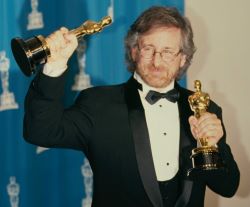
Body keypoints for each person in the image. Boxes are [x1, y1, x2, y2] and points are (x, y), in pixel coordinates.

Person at [23, 6, 240, 207]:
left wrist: (216, 145)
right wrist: (54, 66)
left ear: (183, 58)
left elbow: (227, 187)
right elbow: (40, 132)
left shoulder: (204, 107)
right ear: (134, 51)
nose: (157, 61)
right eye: (148, 49)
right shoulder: (98, 104)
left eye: (167, 51)